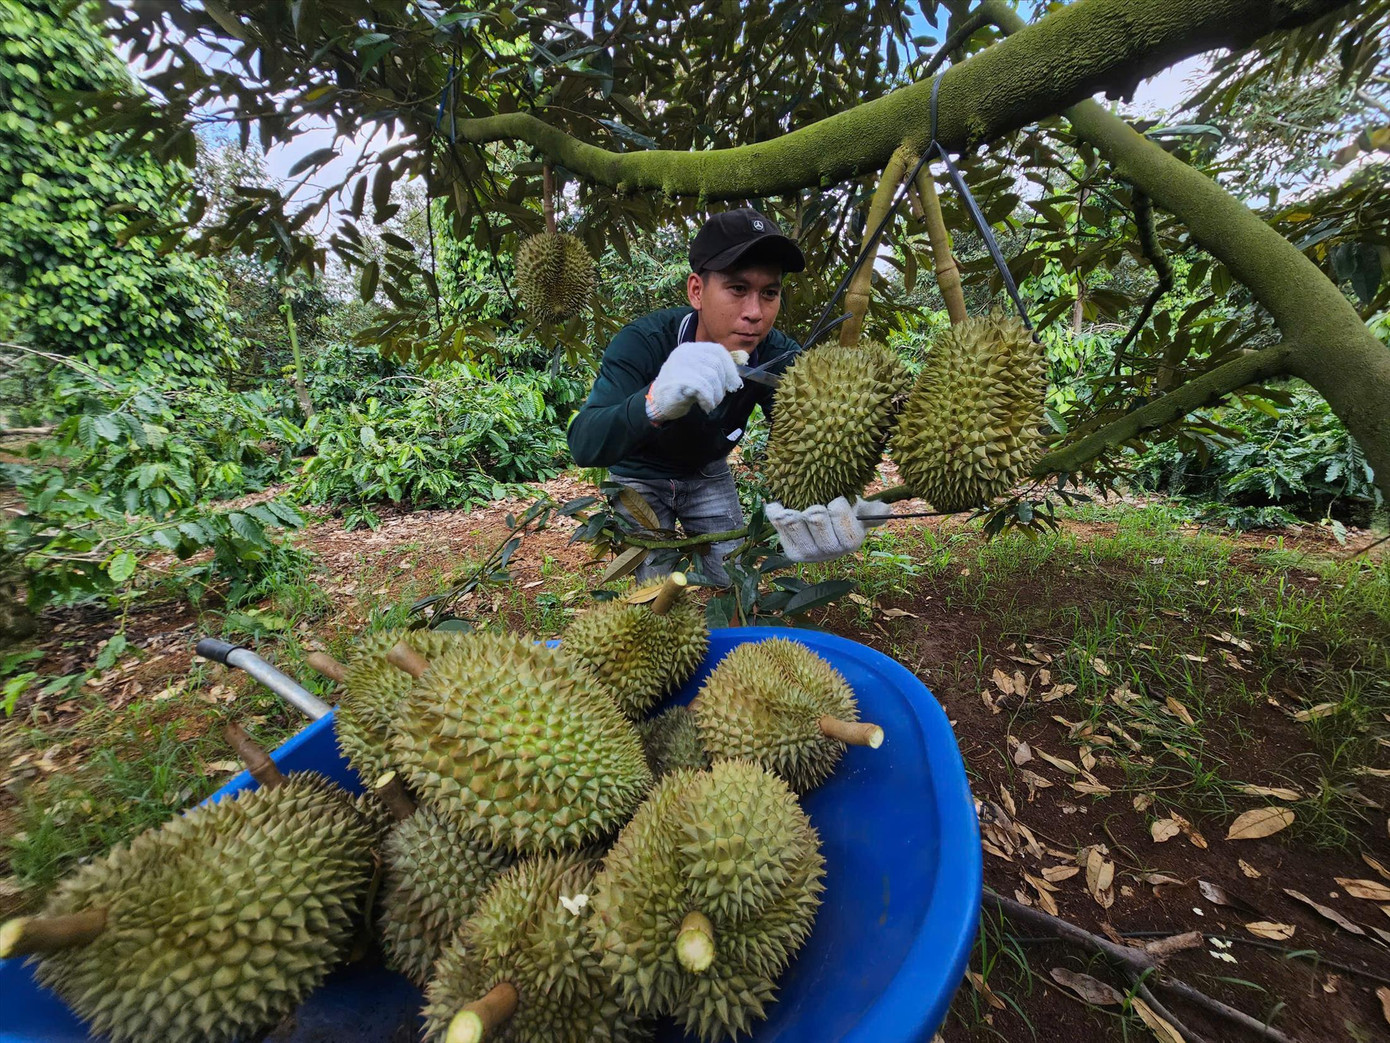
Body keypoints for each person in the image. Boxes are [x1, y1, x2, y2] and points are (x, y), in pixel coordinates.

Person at [567, 207, 889, 586]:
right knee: (655, 591)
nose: (754, 313)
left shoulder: (778, 355)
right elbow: (584, 443)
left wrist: (816, 504)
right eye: (738, 289)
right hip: (640, 478)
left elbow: (807, 433)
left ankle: (738, 634)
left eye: (769, 293)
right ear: (697, 291)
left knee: (736, 581)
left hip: (708, 473)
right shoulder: (643, 343)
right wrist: (651, 402)